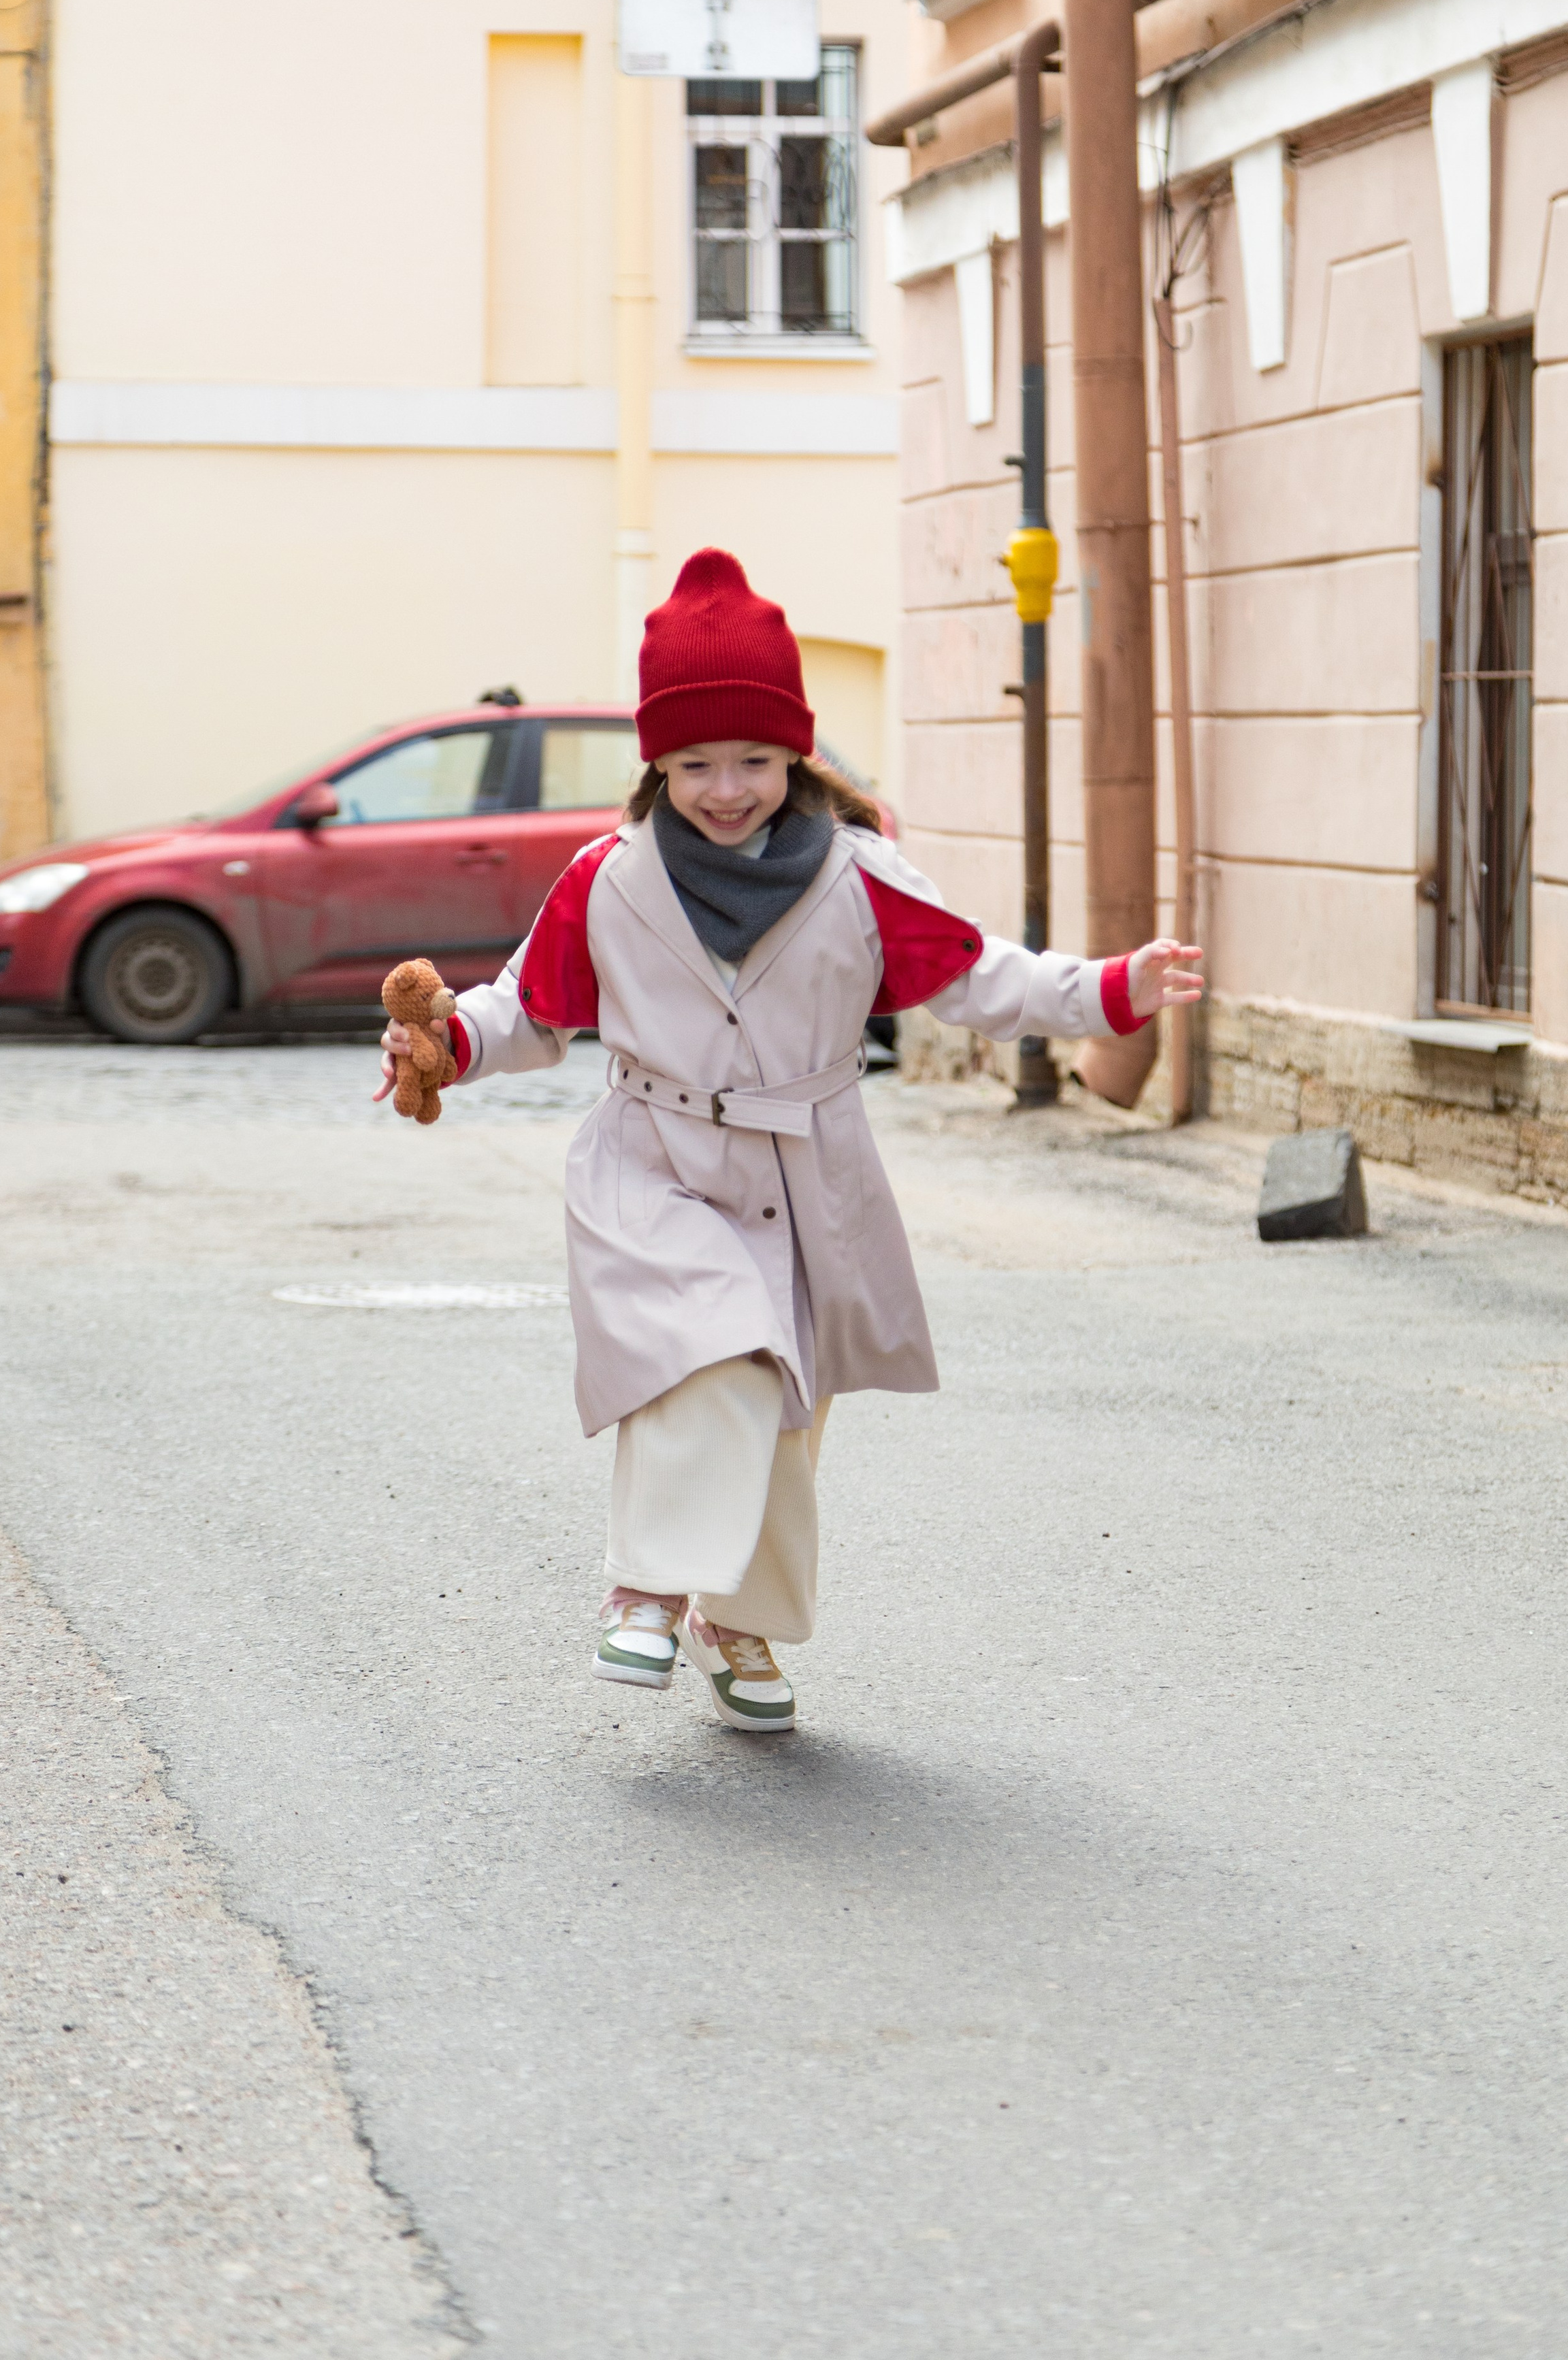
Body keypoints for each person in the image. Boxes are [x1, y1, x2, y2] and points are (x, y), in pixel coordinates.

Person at [378, 550, 1201, 1735]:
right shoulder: (608, 879)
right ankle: (650, 1587)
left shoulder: (861, 877)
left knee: (785, 1411)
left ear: (797, 756)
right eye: (696, 764)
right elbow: (531, 1010)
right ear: (656, 765)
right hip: (654, 1162)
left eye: (755, 761)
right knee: (710, 1354)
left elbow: (977, 977)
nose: (727, 789)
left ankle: (736, 1620)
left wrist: (1111, 989)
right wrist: (450, 1043)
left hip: (807, 1172)